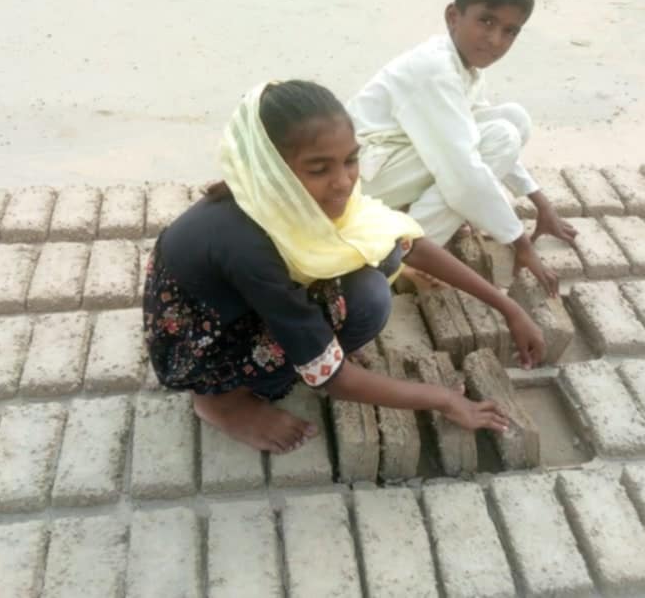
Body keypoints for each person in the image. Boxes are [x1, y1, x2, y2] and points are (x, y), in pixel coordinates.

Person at [143, 80, 545, 455]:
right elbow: (333, 380)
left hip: (243, 297)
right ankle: (221, 402)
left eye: (351, 160)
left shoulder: (290, 197)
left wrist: (509, 308)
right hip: (202, 338)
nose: (343, 182)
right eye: (320, 169)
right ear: (271, 169)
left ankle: (311, 346)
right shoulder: (249, 243)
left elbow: (406, 244)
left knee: (379, 262)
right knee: (365, 303)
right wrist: (443, 399)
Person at [347, 0, 576, 296]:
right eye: (486, 21)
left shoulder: (463, 66)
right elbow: (466, 173)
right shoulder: (434, 70)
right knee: (477, 160)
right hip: (359, 180)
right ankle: (404, 251)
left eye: (510, 31)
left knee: (513, 119)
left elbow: (482, 140)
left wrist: (541, 203)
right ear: (453, 16)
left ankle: (414, 223)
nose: (496, 40)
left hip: (387, 165)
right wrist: (520, 242)